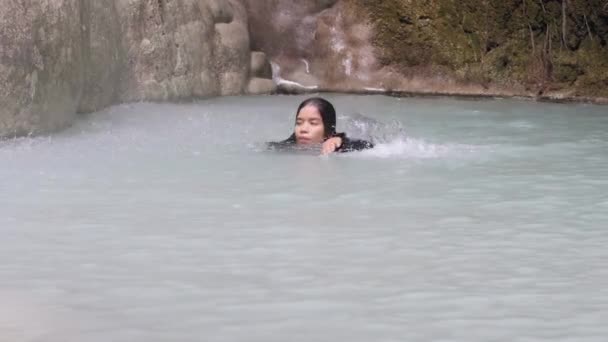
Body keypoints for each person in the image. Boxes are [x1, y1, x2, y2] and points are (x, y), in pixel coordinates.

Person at [268, 97, 374, 154]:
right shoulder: (290, 144)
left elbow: (371, 146)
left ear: (328, 129)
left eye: (313, 123)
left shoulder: (336, 146)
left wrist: (342, 140)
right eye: (299, 123)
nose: (303, 129)